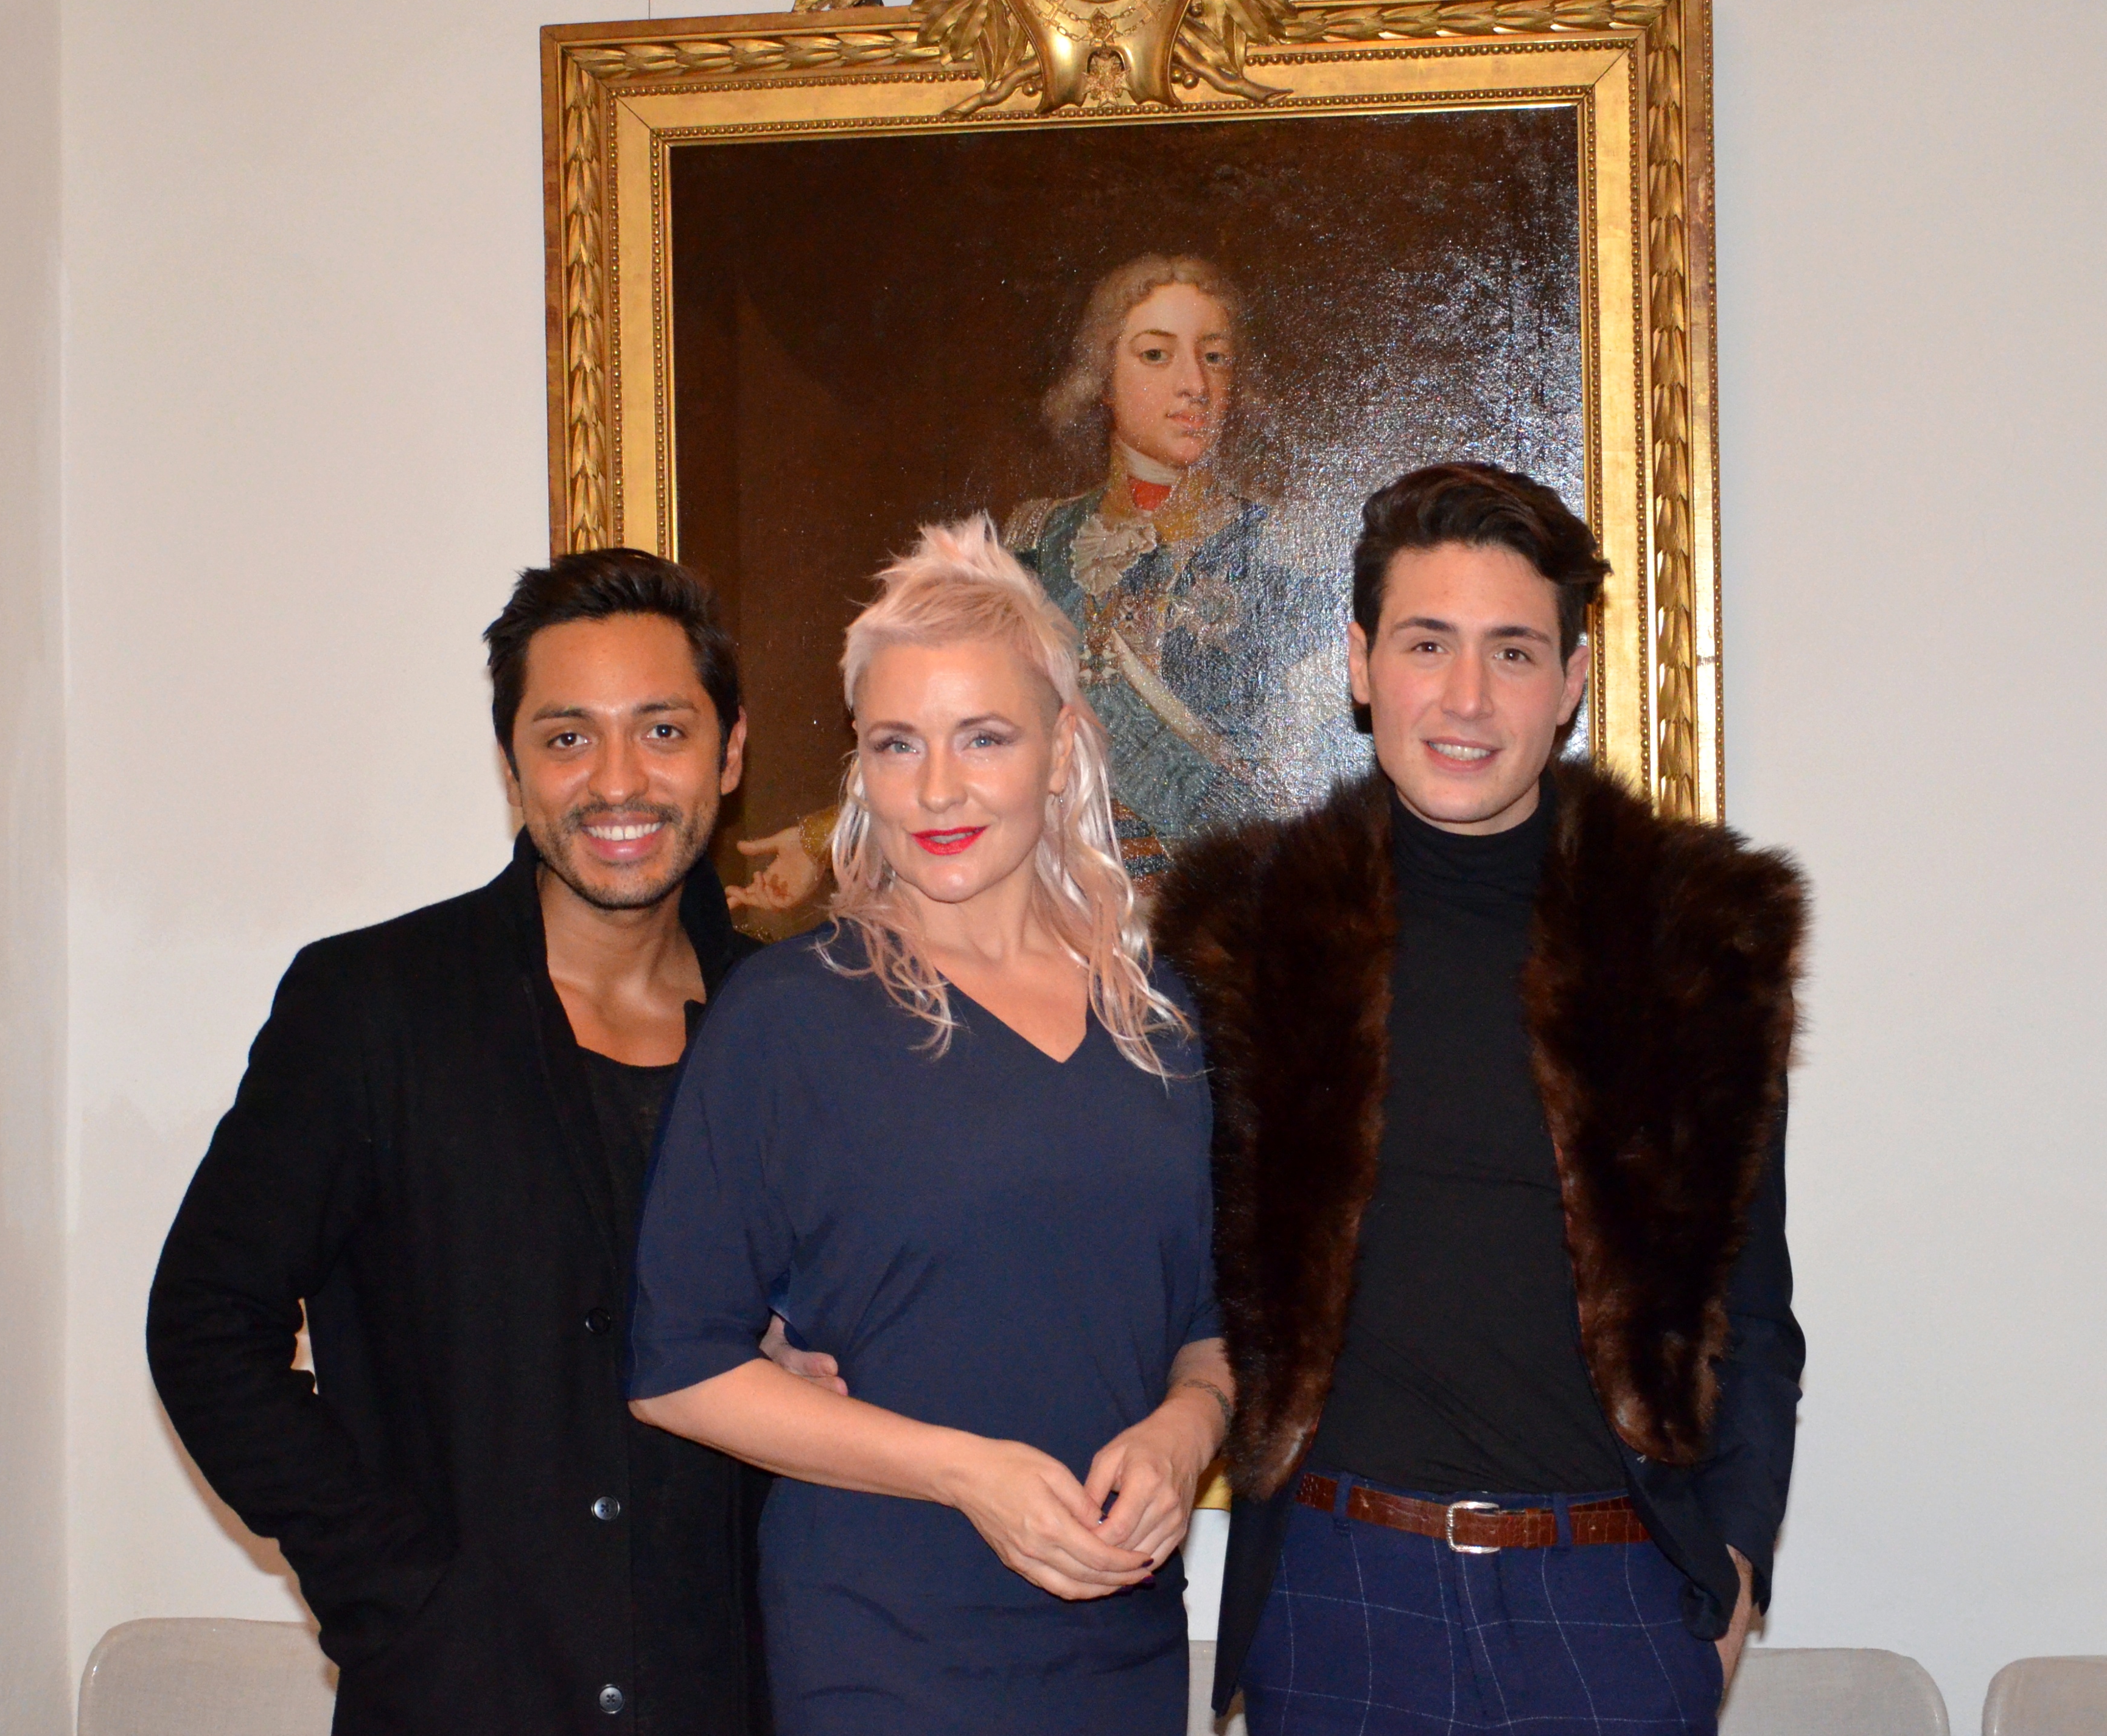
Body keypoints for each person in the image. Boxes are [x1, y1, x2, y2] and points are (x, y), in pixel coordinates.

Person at [1155, 463, 1806, 1735]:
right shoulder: (1245, 937)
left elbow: (1752, 1310)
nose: (1465, 697)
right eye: (1425, 644)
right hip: (1337, 1593)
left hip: (1611, 1601)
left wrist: (1729, 1569)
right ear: (1359, 663)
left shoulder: (1691, 941)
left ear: (1569, 681)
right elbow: (1146, 1252)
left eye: (1511, 651)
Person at [147, 550, 786, 1735]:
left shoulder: (793, 1027)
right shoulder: (374, 1006)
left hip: (732, 1698)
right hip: (460, 1696)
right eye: (566, 737)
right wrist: (393, 1592)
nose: (618, 780)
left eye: (661, 730)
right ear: (512, 765)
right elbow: (204, 1323)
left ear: (729, 751)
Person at [627, 517, 1233, 1736]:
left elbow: (1216, 1323)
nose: (938, 789)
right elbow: (677, 1371)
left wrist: (1186, 1430)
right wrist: (965, 1472)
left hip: (1117, 1640)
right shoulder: (788, 1018)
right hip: (879, 1645)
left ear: (1061, 751)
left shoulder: (1162, 1018)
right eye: (896, 744)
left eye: (984, 737)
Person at [728, 252, 1323, 912]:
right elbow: (942, 726)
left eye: (1215, 357)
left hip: (1214, 916)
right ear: (1102, 376)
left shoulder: (1278, 551)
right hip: (1047, 906)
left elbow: (1298, 772)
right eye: (1156, 355)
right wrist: (820, 839)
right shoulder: (1037, 541)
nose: (1195, 385)